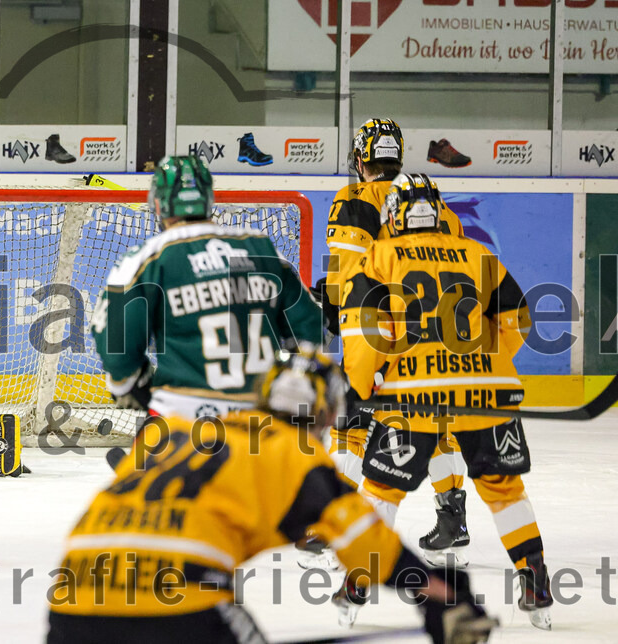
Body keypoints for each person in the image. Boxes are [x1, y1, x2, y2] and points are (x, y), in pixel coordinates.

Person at [45, 349, 497, 644]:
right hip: (179, 597)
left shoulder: (180, 433)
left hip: (71, 593)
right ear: (325, 414)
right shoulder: (296, 455)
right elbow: (372, 551)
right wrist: (444, 596)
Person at [340, 172, 553, 630]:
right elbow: (518, 316)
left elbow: (363, 331)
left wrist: (364, 383)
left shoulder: (378, 256)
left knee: (381, 490)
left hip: (413, 396)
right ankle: (535, 581)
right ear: (437, 211)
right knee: (504, 490)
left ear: (395, 215)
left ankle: (356, 582)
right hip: (484, 394)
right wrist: (488, 364)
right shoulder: (478, 253)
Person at [312, 118, 471, 568]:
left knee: (350, 423)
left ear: (361, 159)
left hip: (378, 330)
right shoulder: (436, 204)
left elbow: (349, 272)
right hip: (438, 334)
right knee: (437, 424)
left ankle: (337, 524)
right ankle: (453, 521)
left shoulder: (355, 198)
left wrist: (331, 303)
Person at [91, 155, 323, 422]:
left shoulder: (146, 260)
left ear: (158, 204)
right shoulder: (262, 249)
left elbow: (116, 350)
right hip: (260, 424)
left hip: (182, 424)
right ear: (209, 199)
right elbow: (311, 328)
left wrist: (130, 385)